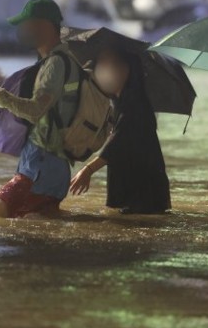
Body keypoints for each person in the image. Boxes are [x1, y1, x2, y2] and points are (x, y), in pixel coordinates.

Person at [0, 0, 81, 218]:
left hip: (39, 171)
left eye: (26, 25)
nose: (22, 31)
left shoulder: (54, 65)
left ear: (44, 27)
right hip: (53, 170)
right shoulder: (66, 60)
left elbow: (35, 110)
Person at [69, 48, 171, 214]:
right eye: (102, 65)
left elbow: (116, 143)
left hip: (142, 194)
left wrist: (87, 170)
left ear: (127, 69)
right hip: (139, 192)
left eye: (113, 65)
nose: (105, 71)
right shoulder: (121, 102)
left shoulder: (135, 105)